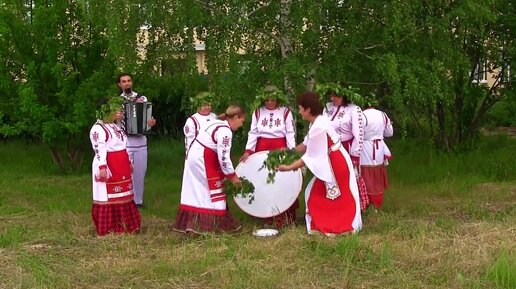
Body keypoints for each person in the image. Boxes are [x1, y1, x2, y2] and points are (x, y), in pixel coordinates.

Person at [277, 92, 362, 235]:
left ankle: (337, 225)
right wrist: (288, 151)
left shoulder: (318, 127)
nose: (299, 112)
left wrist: (288, 167)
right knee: (324, 193)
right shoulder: (318, 121)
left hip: (335, 163)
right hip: (334, 159)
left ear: (308, 109)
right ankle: (333, 222)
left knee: (327, 195)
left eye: (300, 108)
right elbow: (305, 145)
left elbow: (309, 157)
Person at [173, 105, 247, 234]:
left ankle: (193, 224)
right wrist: (233, 177)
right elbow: (224, 158)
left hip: (194, 156)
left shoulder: (215, 122)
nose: (241, 125)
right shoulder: (225, 132)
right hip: (203, 159)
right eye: (242, 121)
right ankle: (211, 226)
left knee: (198, 191)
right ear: (236, 117)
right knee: (215, 192)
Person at [239, 85, 297, 228]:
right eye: (267, 99)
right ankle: (265, 215)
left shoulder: (285, 112)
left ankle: (284, 215)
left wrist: (291, 152)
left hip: (280, 148)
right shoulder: (258, 112)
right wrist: (248, 151)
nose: (269, 102)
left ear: (277, 99)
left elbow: (290, 133)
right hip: (262, 148)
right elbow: (253, 133)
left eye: (272, 99)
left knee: (281, 180)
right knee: (263, 180)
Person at [89, 97, 141, 236]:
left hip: (120, 163)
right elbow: (99, 148)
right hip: (108, 165)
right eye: (114, 110)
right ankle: (109, 228)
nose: (118, 112)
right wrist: (102, 167)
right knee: (108, 195)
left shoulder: (114, 126)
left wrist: (128, 161)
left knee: (124, 194)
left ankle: (126, 226)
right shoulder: (98, 128)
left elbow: (124, 145)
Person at [322, 87, 369, 210]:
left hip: (346, 147)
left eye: (335, 96)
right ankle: (332, 205)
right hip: (329, 148)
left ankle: (351, 206)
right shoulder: (328, 107)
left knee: (347, 176)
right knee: (331, 177)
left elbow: (359, 134)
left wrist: (355, 154)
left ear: (344, 96)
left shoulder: (353, 109)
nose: (332, 99)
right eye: (331, 96)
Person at [117, 73, 156, 209]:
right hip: (125, 141)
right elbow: (111, 121)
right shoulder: (116, 101)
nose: (127, 83)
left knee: (140, 172)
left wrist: (151, 123)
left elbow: (148, 119)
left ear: (132, 82)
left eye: (129, 81)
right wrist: (117, 117)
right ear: (119, 84)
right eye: (124, 81)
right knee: (126, 172)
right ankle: (126, 199)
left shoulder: (142, 98)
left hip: (140, 141)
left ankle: (138, 201)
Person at [360, 104, 394, 210]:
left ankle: (365, 203)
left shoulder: (361, 115)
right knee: (377, 174)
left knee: (365, 173)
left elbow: (357, 133)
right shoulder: (383, 115)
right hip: (379, 146)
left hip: (364, 146)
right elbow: (389, 133)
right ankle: (376, 204)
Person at [183, 92, 218, 158]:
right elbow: (189, 139)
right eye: (204, 105)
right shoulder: (192, 120)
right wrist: (189, 153)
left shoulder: (215, 117)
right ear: (198, 106)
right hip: (198, 152)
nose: (207, 107)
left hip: (213, 151)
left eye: (208, 105)